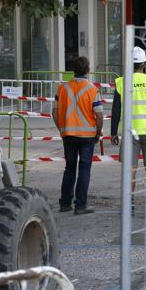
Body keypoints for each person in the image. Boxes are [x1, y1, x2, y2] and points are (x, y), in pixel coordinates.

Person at [111, 46, 146, 216]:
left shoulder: (121, 82)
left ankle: (129, 206)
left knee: (130, 171)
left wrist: (113, 132)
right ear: (145, 63)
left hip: (129, 132)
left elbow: (116, 110)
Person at [53, 56, 103, 215]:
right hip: (87, 136)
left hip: (68, 134)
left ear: (73, 71)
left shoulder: (62, 88)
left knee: (69, 168)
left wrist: (62, 129)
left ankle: (65, 203)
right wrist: (98, 133)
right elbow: (99, 115)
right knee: (84, 169)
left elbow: (54, 112)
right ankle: (80, 205)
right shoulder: (92, 89)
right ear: (88, 71)